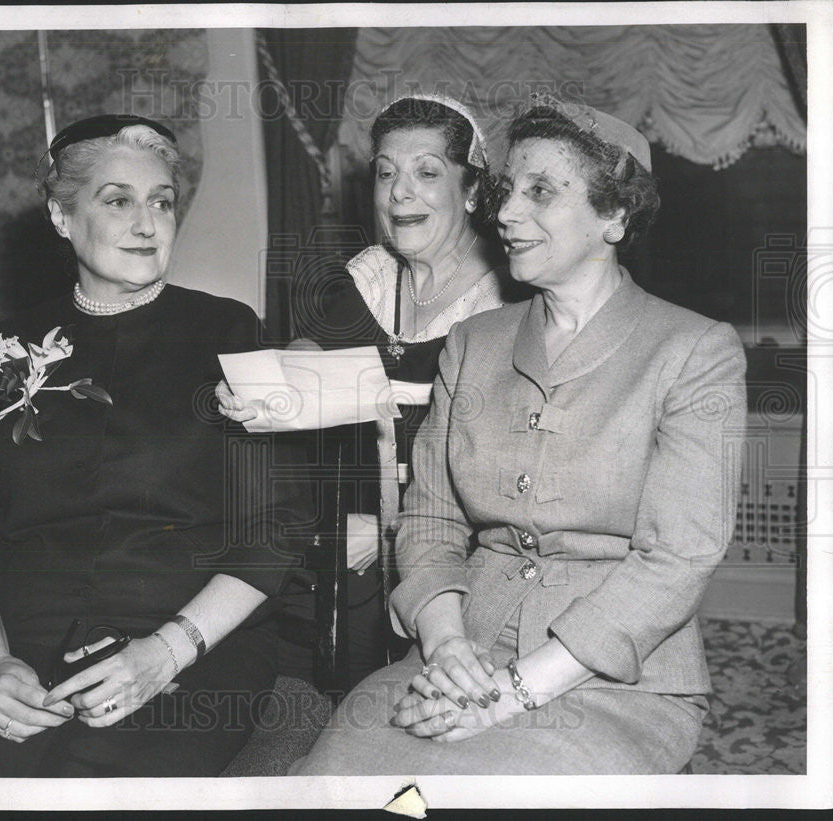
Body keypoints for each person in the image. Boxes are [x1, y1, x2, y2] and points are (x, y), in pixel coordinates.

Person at [295, 98, 747, 775]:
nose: (505, 213)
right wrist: (445, 645)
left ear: (614, 215)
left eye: (542, 192)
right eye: (509, 191)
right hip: (460, 656)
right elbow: (432, 518)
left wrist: (511, 692)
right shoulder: (474, 342)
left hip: (613, 680)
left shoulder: (694, 350)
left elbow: (676, 560)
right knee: (334, 781)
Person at [0, 114, 304, 777]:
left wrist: (166, 652)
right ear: (63, 217)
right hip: (23, 643)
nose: (147, 223)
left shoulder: (230, 328)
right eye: (118, 200)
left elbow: (275, 529)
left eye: (162, 201)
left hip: (193, 636)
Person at [218, 95, 520, 688]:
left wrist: (387, 530)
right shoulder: (374, 275)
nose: (399, 193)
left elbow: (497, 466)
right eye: (386, 173)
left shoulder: (506, 299)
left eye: (427, 173)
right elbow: (312, 350)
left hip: (466, 541)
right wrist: (268, 387)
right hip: (355, 527)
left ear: (474, 191)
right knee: (290, 640)